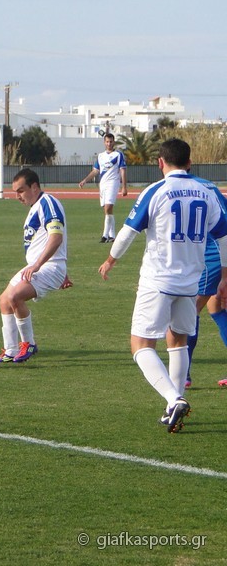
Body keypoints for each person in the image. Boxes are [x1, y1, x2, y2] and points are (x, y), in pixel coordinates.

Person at [98, 138, 227, 433]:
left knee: (140, 344)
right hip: (191, 281)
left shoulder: (156, 190)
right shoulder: (206, 191)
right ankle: (174, 407)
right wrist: (225, 275)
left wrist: (111, 259)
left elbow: (128, 232)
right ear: (190, 162)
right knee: (178, 341)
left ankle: (174, 398)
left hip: (158, 279)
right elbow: (224, 237)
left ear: (160, 162)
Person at [0, 168, 72, 364]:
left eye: (21, 191)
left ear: (35, 187)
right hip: (40, 265)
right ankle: (11, 350)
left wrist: (40, 265)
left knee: (15, 296)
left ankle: (28, 344)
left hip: (48, 266)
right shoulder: (36, 206)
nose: (18, 196)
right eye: (15, 192)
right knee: (4, 300)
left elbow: (56, 237)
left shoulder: (48, 203)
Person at [179, 173, 227, 389]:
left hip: (213, 256)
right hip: (214, 255)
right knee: (217, 307)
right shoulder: (208, 185)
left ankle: (184, 374)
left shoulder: (182, 187)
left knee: (191, 311)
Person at [78, 132, 127, 242]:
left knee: (108, 207)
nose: (109, 144)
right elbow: (95, 171)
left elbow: (123, 170)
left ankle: (105, 236)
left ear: (114, 142)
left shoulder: (118, 155)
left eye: (111, 141)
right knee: (107, 211)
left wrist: (124, 187)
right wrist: (85, 180)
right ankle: (112, 236)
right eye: (107, 142)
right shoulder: (101, 156)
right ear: (104, 142)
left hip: (113, 183)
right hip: (103, 184)